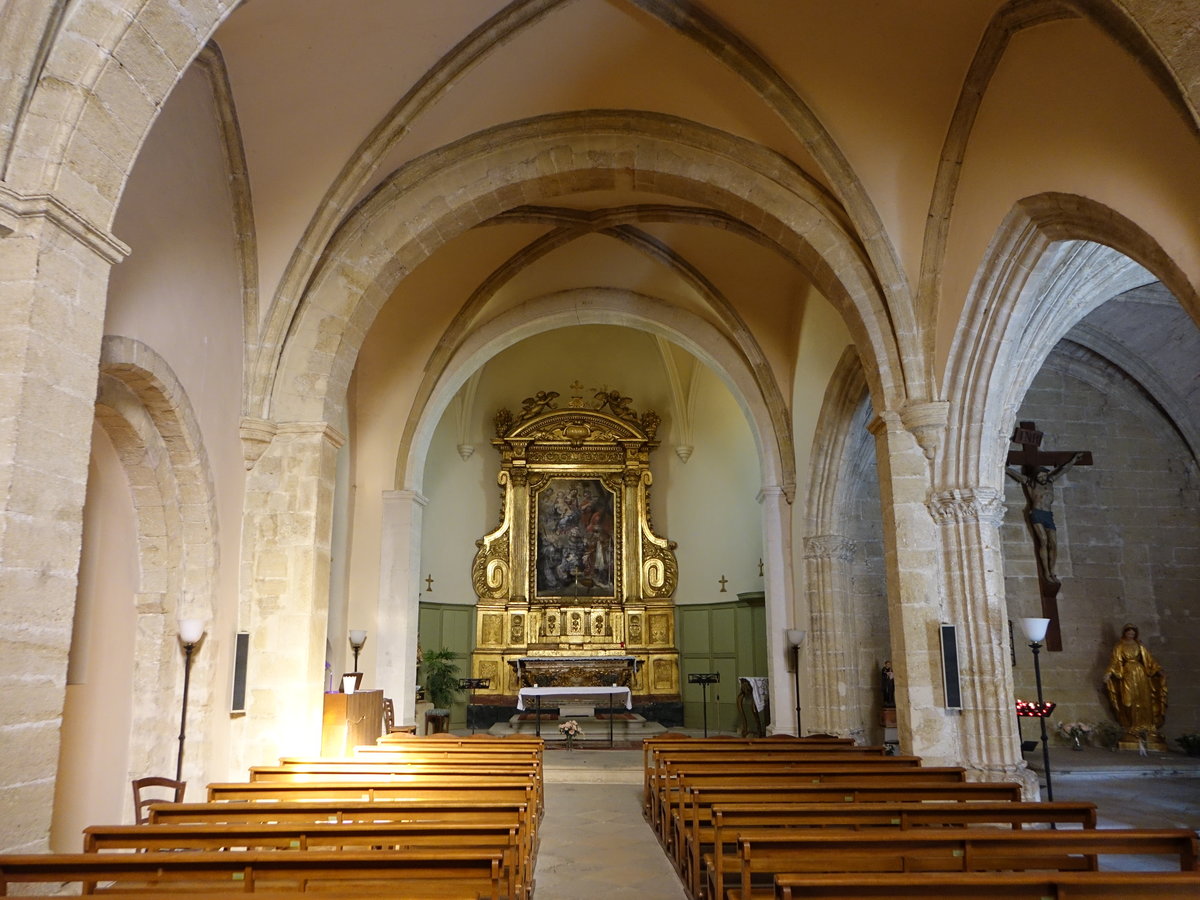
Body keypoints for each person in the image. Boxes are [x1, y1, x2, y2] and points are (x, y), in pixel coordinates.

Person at [1005, 451, 1084, 583]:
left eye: (1044, 475)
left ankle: (1052, 571)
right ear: (1036, 476)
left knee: (1053, 543)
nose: (1042, 478)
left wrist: (1074, 460)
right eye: (1040, 476)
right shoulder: (1031, 483)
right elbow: (1017, 475)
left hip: (1048, 515)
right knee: (1043, 541)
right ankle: (1046, 573)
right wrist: (1005, 468)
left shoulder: (1050, 482)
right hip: (1037, 513)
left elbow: (1063, 470)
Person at [1103, 623, 1167, 749]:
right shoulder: (1119, 646)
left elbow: (1150, 660)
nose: (1131, 635)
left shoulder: (1140, 646)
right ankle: (1131, 727)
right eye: (1129, 633)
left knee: (1144, 700)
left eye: (1133, 633)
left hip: (1140, 673)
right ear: (1125, 633)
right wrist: (1108, 673)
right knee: (1128, 702)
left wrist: (1159, 671)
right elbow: (1115, 661)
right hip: (1127, 674)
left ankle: (1147, 728)